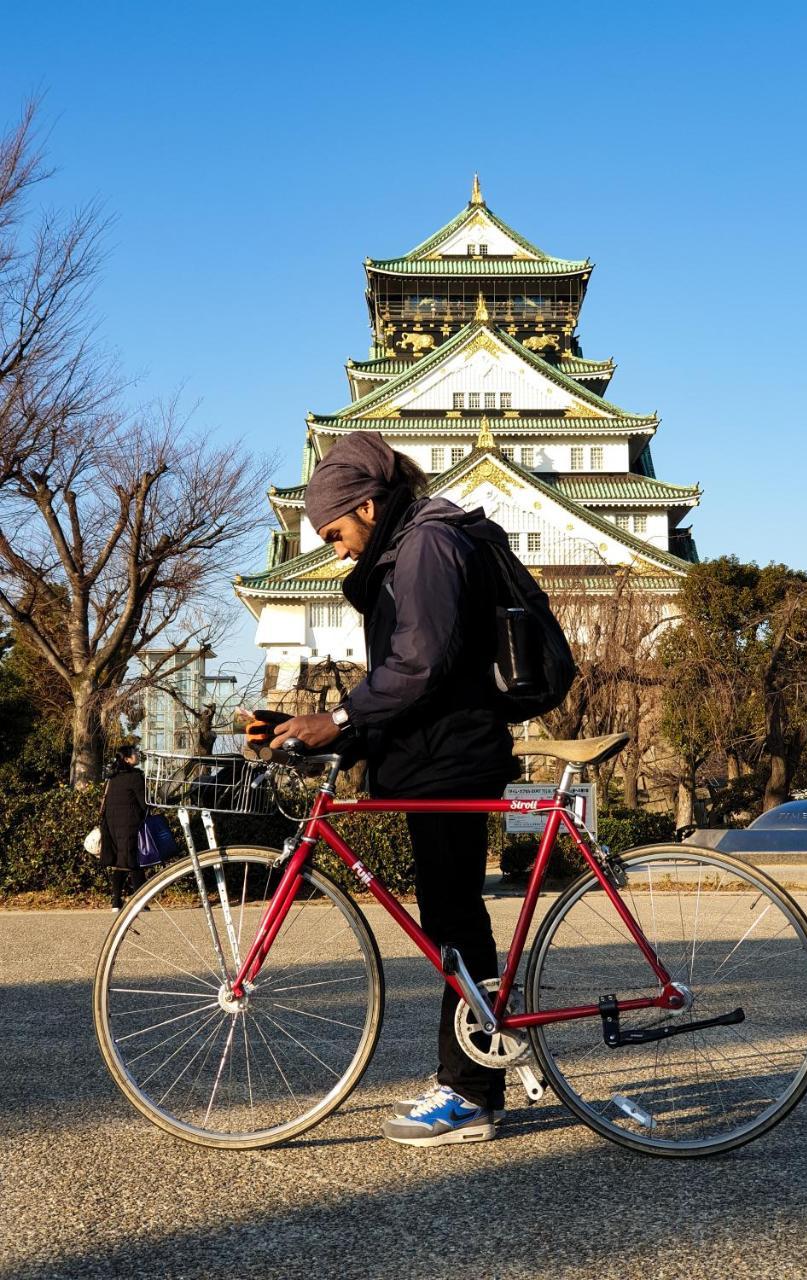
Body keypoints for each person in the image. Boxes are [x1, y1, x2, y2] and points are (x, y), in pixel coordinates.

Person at [257, 430, 520, 1147]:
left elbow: (418, 666)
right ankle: (471, 1074)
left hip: (453, 758)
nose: (335, 547)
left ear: (368, 506)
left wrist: (338, 715)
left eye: (335, 531)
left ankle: (471, 1093)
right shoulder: (405, 545)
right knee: (450, 922)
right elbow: (403, 684)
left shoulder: (430, 544)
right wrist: (310, 728)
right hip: (434, 755)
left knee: (456, 921)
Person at [99, 744, 148, 912]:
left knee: (124, 861)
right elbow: (144, 803)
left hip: (111, 825)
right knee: (131, 861)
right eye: (134, 753)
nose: (137, 754)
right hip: (130, 824)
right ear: (127, 759)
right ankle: (137, 901)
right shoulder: (135, 777)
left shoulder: (112, 778)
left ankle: (118, 902)